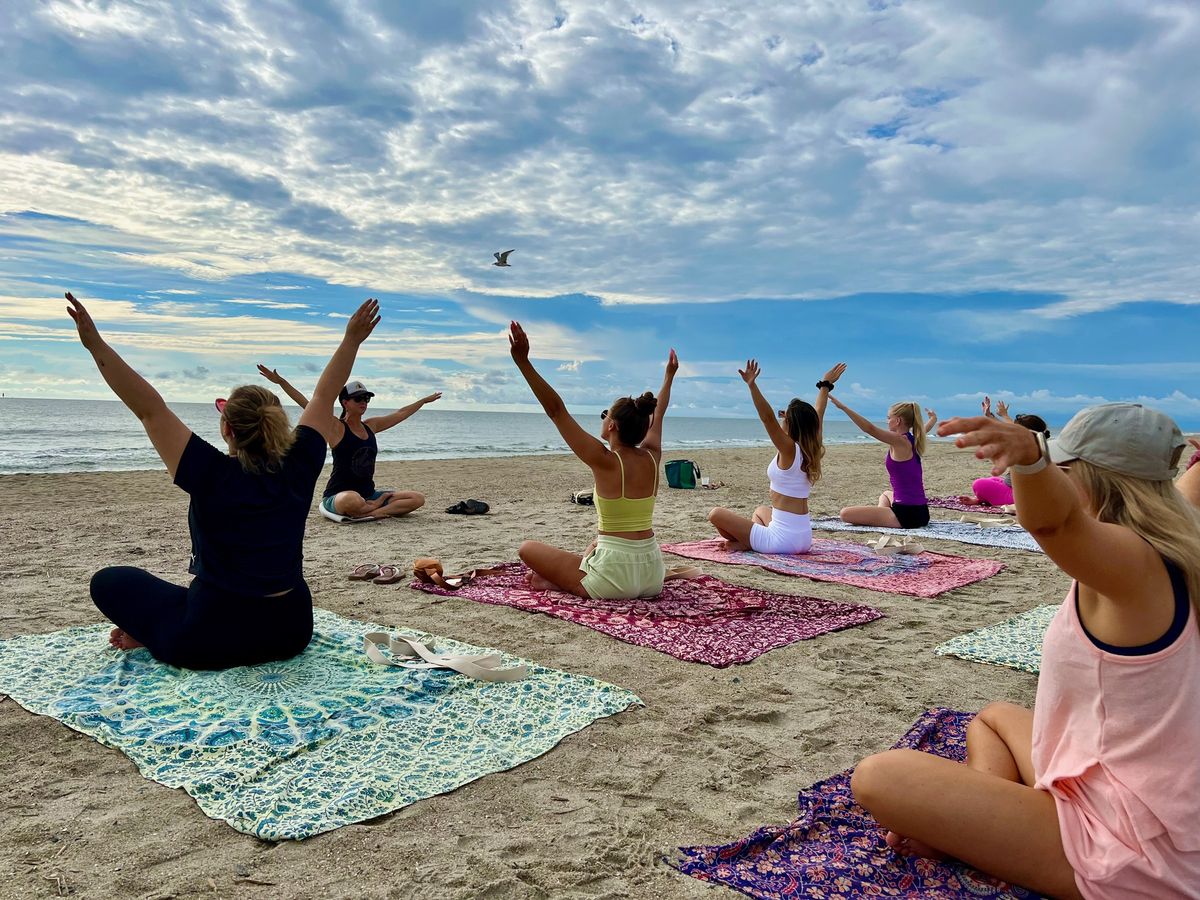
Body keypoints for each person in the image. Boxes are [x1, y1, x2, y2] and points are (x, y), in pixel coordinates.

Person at [851, 403, 1200, 898]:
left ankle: (980, 832)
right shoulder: (1180, 540)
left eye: (1062, 466)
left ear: (1087, 477)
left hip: (1132, 848)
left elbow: (1055, 527)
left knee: (879, 776)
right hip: (1133, 789)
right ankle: (981, 827)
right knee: (993, 717)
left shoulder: (1134, 566)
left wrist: (1031, 459)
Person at [73, 293, 382, 669]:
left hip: (210, 639)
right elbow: (323, 394)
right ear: (280, 424)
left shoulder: (210, 472)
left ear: (226, 428)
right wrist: (351, 340)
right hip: (290, 631)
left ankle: (151, 634)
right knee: (171, 599)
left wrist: (95, 345)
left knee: (110, 581)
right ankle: (154, 629)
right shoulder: (301, 462)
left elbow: (149, 407)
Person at [508, 321, 676, 599]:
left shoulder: (604, 460)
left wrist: (523, 363)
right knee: (596, 543)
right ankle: (568, 581)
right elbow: (660, 412)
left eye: (604, 415)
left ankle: (566, 584)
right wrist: (669, 376)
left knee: (527, 548)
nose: (603, 419)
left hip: (614, 578)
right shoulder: (652, 456)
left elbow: (556, 411)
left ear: (612, 426)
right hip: (651, 574)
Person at [255, 364, 441, 519]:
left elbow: (400, 413)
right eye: (358, 398)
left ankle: (374, 512)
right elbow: (308, 403)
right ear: (345, 402)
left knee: (417, 498)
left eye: (366, 398)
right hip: (339, 496)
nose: (364, 402)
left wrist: (423, 401)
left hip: (368, 495)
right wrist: (281, 382)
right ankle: (370, 508)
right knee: (352, 501)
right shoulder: (336, 427)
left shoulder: (371, 426)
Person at [706, 361, 845, 553]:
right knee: (760, 511)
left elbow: (767, 418)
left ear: (790, 423)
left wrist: (752, 385)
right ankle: (748, 542)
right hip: (803, 537)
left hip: (782, 541)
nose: (780, 419)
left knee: (716, 514)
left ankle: (746, 544)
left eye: (784, 416)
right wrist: (825, 385)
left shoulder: (789, 449)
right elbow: (818, 412)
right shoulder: (811, 447)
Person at [830, 394, 930, 528]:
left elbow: (869, 429)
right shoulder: (912, 439)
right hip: (921, 512)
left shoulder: (900, 441)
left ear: (898, 420)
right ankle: (882, 518)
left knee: (845, 514)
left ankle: (884, 519)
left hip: (907, 515)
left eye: (889, 418)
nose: (887, 421)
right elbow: (923, 430)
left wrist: (843, 408)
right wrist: (933, 419)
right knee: (885, 494)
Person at [959, 413, 1051, 507]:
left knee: (978, 484)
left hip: (1018, 496)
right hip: (1019, 489)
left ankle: (982, 499)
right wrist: (1002, 414)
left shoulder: (1023, 449)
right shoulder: (1041, 446)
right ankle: (981, 499)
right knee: (994, 479)